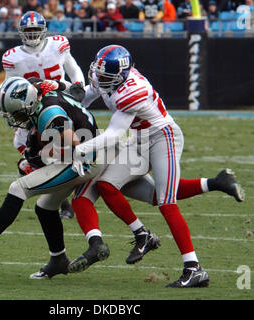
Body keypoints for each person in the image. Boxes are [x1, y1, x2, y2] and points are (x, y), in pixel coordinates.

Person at [68, 45, 245, 287]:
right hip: (138, 139)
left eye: (105, 76)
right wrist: (64, 98)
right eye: (97, 73)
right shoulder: (108, 78)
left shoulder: (132, 90)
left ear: (120, 76)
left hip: (163, 138)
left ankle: (194, 268)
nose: (98, 79)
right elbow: (86, 96)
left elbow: (112, 135)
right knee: (107, 184)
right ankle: (147, 232)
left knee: (166, 202)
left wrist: (79, 150)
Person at [0, 76, 107, 280]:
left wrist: (48, 156)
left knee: (18, 188)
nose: (14, 118)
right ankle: (58, 260)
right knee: (45, 208)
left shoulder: (49, 113)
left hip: (84, 159)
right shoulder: (39, 87)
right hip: (87, 149)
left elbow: (69, 140)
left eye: (17, 113)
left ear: (29, 103)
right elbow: (71, 87)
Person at [2, 11, 86, 219]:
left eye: (35, 30)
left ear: (44, 30)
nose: (32, 34)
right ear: (21, 32)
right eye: (28, 31)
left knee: (68, 150)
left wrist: (76, 86)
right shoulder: (13, 58)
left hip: (61, 103)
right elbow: (9, 85)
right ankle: (60, 199)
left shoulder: (58, 45)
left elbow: (74, 70)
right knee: (28, 153)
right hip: (34, 110)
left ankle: (74, 195)